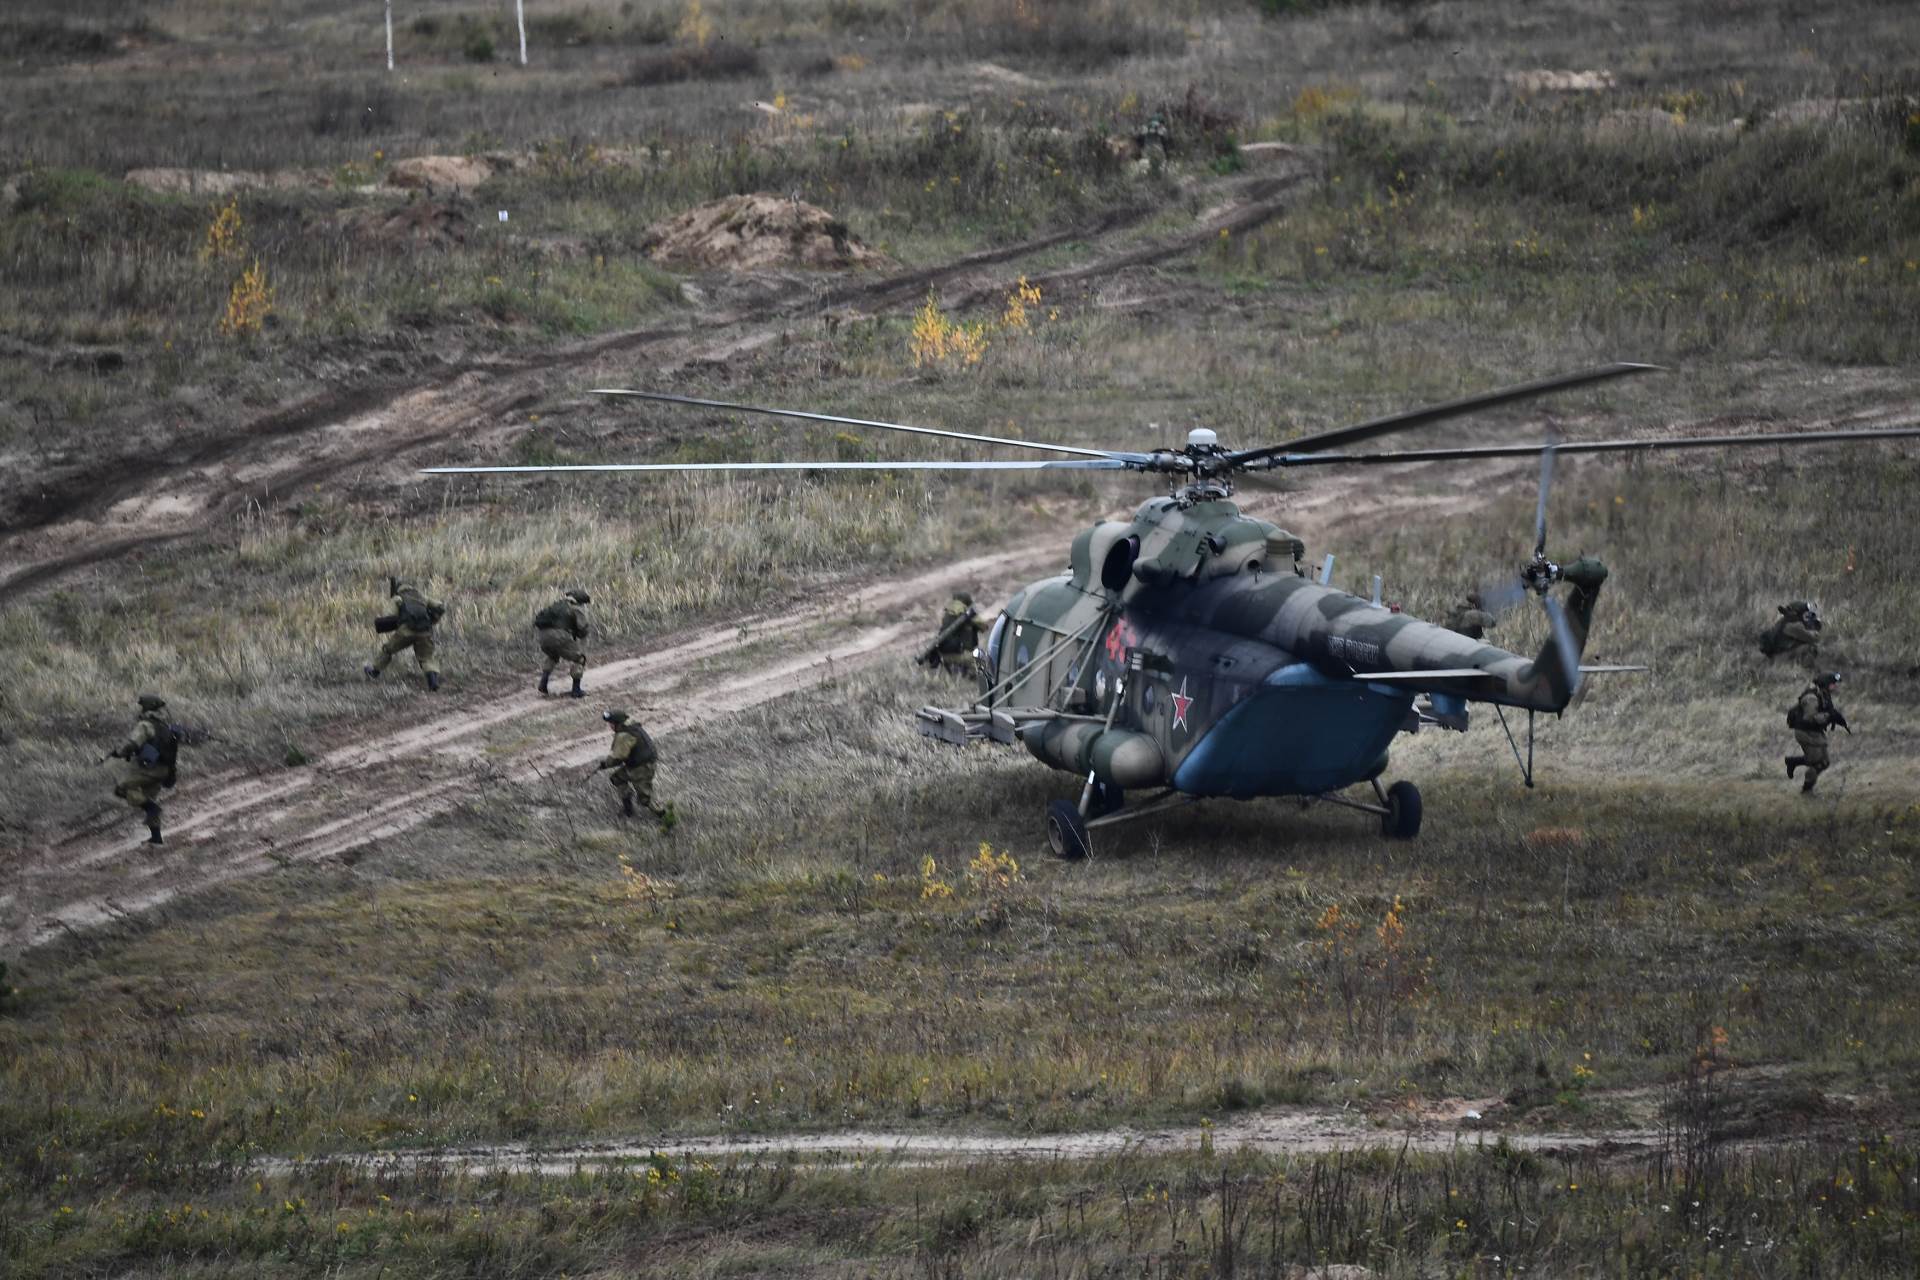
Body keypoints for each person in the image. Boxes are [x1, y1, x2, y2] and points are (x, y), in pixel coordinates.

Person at [107, 693, 179, 846]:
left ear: (147, 708)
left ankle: (153, 808)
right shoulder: (165, 726)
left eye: (141, 706)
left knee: (122, 788)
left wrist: (119, 753)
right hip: (165, 771)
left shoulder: (145, 725)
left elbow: (133, 743)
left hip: (150, 770)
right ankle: (156, 838)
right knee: (148, 798)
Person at [364, 576, 446, 691]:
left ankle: (374, 671)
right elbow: (440, 607)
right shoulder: (421, 597)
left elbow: (389, 615)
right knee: (427, 658)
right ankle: (433, 682)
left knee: (388, 650)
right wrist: (433, 619)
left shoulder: (398, 598)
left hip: (406, 631)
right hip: (425, 631)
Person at [597, 709, 671, 827]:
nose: (609, 726)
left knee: (645, 798)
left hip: (641, 768)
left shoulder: (624, 735)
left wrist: (605, 764)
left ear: (617, 723)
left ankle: (666, 817)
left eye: (611, 723)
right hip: (641, 764)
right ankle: (628, 810)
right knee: (617, 778)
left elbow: (618, 757)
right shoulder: (632, 727)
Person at [1785, 671, 1848, 793]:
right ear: (1825, 684)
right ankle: (1806, 790)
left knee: (1824, 762)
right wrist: (1829, 716)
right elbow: (1810, 718)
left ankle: (1793, 762)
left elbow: (1826, 712)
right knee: (1817, 762)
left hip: (1815, 731)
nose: (1835, 686)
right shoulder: (1811, 698)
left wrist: (1836, 717)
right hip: (1805, 732)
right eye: (1833, 684)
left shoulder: (1824, 694)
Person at [535, 589, 592, 698]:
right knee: (579, 658)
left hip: (543, 637)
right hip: (560, 636)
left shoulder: (557, 605)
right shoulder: (576, 608)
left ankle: (543, 684)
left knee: (553, 656)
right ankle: (576, 690)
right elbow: (583, 628)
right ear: (580, 601)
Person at [920, 592, 985, 675]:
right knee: (981, 659)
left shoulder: (948, 613)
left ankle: (960, 671)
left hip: (943, 654)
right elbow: (984, 627)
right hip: (959, 653)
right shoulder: (966, 613)